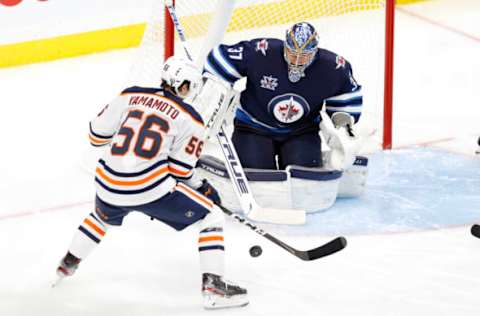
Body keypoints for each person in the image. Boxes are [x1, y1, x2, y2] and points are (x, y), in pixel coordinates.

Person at [55, 56, 248, 310]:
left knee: (101, 217)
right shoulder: (191, 118)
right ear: (183, 86)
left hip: (106, 182)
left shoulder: (130, 95)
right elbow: (180, 172)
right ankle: (213, 287)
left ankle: (67, 264)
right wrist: (204, 189)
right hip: (148, 188)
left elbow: (95, 136)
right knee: (211, 216)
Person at [204, 21, 362, 170]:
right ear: (285, 46)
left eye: (304, 56)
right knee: (257, 175)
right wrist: (215, 94)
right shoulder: (262, 52)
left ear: (315, 52)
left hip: (301, 132)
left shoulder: (333, 67)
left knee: (304, 179)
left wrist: (342, 123)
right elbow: (218, 59)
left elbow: (347, 93)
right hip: (253, 127)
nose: (297, 61)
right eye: (293, 54)